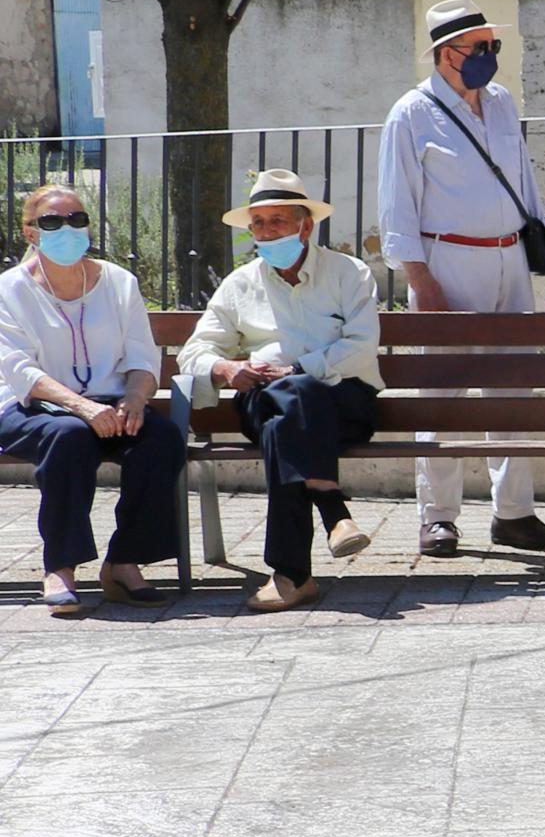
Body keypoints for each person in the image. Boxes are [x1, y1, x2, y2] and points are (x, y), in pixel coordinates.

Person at [377, 0, 545, 559]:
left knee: (513, 389)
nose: (489, 56)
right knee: (441, 394)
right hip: (448, 262)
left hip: (511, 258)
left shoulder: (503, 104)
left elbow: (525, 183)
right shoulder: (410, 114)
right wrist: (421, 279)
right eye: (479, 47)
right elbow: (397, 207)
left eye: (493, 46)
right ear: (445, 54)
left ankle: (514, 513)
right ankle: (437, 516)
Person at [177, 170, 383, 613]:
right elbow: (193, 353)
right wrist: (227, 367)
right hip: (262, 396)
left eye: (278, 221)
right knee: (286, 405)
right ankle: (332, 510)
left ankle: (294, 575)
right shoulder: (239, 283)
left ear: (305, 225)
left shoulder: (349, 272)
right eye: (259, 223)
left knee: (287, 414)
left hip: (342, 403)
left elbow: (362, 345)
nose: (267, 232)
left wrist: (298, 369)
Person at [1, 179, 185, 614]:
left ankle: (124, 562)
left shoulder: (120, 282)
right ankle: (60, 568)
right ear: (30, 232)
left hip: (111, 402)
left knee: (161, 440)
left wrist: (136, 400)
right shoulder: (9, 289)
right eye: (52, 221)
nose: (67, 228)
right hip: (32, 405)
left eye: (76, 219)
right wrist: (81, 407)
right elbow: (20, 370)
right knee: (69, 437)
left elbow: (142, 356)